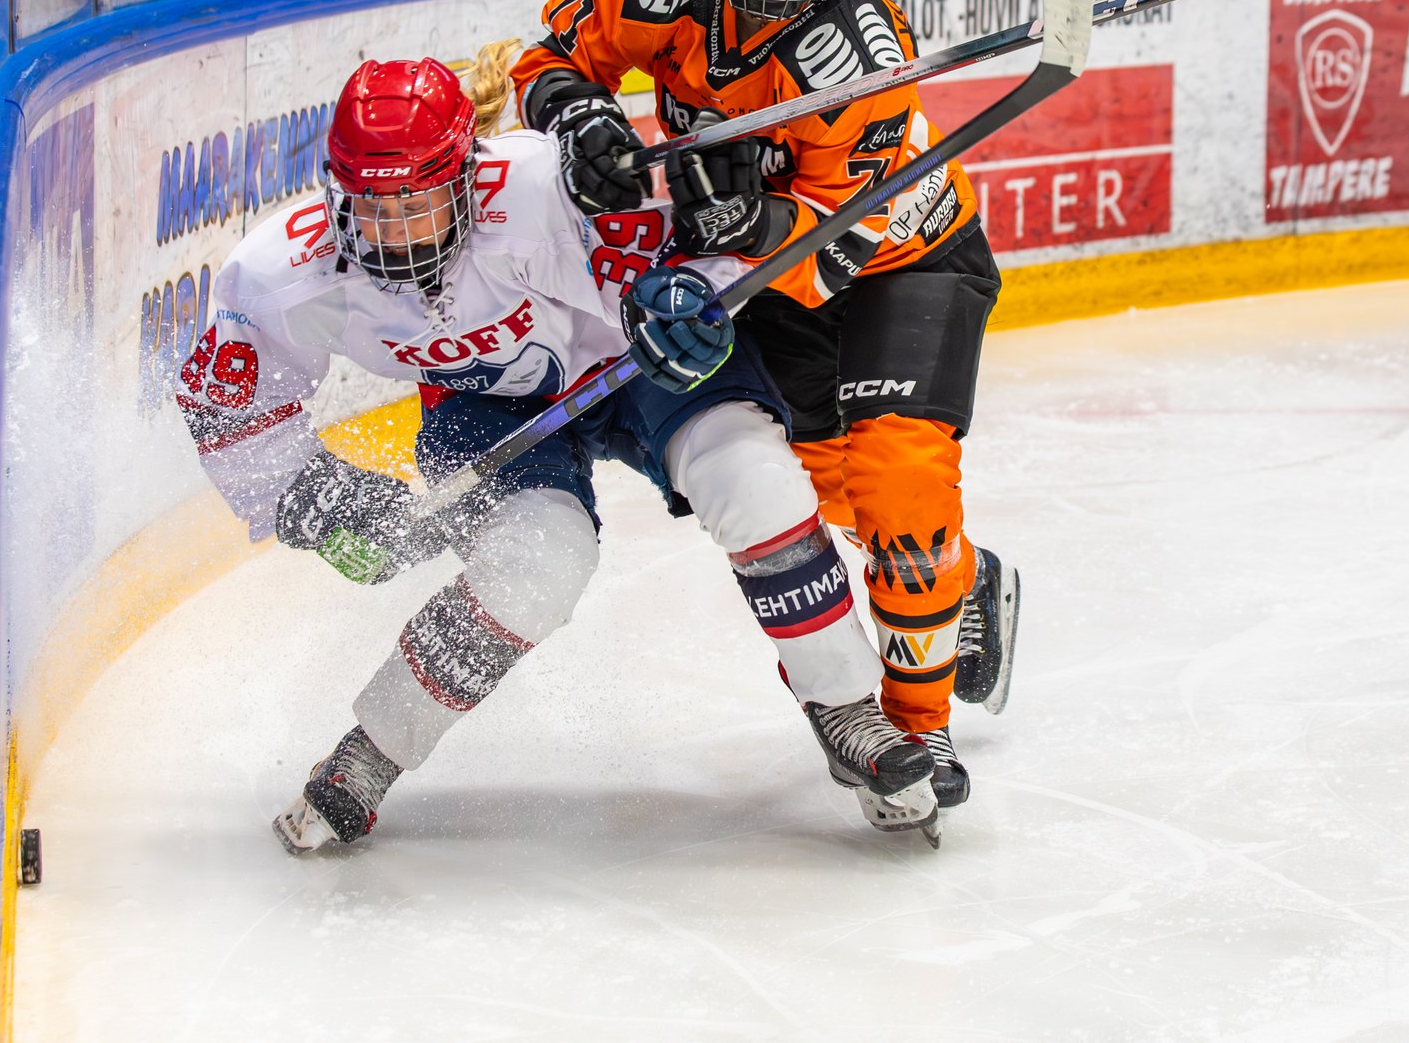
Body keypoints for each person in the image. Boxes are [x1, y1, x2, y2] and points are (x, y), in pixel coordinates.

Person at [174, 51, 941, 854]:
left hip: (636, 363)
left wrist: (687, 294)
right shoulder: (283, 272)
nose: (394, 234)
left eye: (417, 204)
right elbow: (227, 408)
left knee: (753, 479)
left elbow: (699, 230)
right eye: (372, 207)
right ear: (337, 191)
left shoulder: (542, 186)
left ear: (466, 179)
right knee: (537, 564)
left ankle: (846, 706)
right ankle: (372, 751)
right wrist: (312, 498)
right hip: (482, 405)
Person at [508, 0, 1022, 828]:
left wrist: (756, 213)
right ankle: (966, 584)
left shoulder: (861, 54)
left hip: (903, 264)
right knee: (820, 491)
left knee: (901, 493)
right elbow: (542, 61)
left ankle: (916, 725)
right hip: (757, 280)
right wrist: (583, 117)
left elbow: (837, 253)